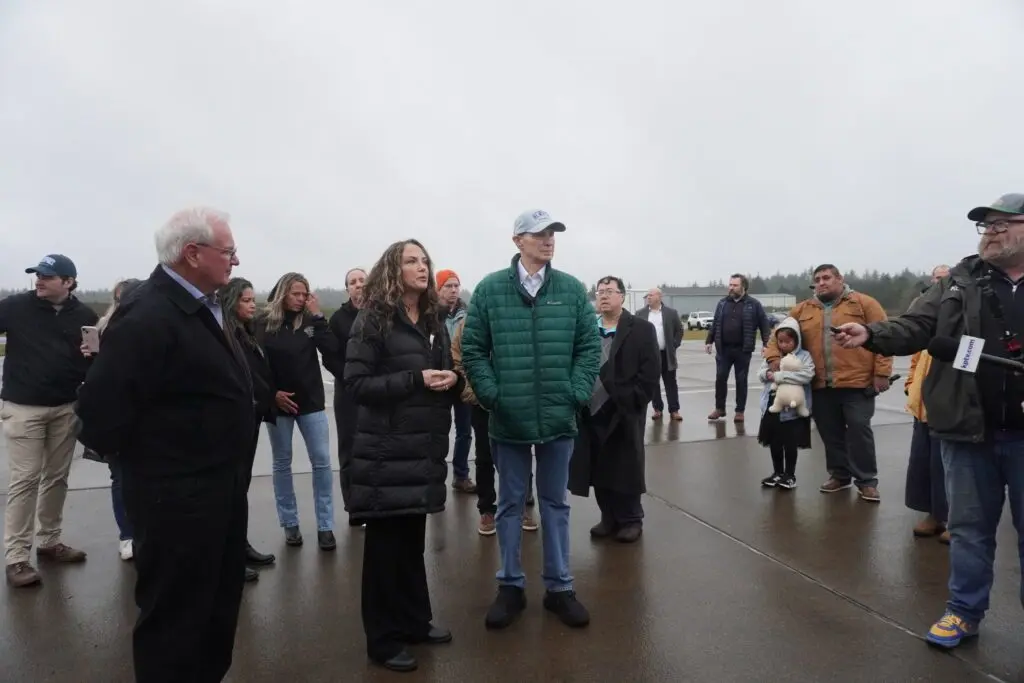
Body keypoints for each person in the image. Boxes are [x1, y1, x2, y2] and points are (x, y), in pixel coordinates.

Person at [833, 193, 1024, 649]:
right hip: (967, 430)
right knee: (969, 530)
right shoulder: (960, 280)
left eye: (1002, 223)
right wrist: (872, 334)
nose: (990, 232)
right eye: (985, 226)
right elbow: (917, 325)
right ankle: (963, 612)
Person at [76, 207, 252, 682]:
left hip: (219, 489)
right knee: (175, 620)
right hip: (176, 500)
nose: (235, 261)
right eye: (228, 251)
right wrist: (161, 467)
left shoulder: (203, 306)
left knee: (215, 608)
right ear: (193, 254)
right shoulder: (149, 313)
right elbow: (99, 416)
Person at [461, 208, 601, 630]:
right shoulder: (489, 291)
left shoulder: (572, 291)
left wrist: (575, 395)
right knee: (508, 504)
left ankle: (560, 588)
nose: (548, 239)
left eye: (552, 233)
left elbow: (589, 350)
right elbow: (473, 350)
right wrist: (492, 396)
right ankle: (511, 586)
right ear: (517, 240)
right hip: (509, 420)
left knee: (556, 503)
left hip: (559, 419)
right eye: (539, 233)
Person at [344, 239, 462, 673]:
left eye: (425, 259)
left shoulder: (433, 318)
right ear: (393, 269)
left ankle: (414, 621)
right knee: (384, 552)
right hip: (385, 455)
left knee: (412, 545)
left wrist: (452, 377)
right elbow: (356, 384)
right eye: (411, 260)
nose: (422, 266)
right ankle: (382, 638)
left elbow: (441, 371)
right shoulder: (373, 318)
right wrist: (414, 378)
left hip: (421, 450)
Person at [1, 253, 98, 588]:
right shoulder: (14, 307)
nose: (38, 280)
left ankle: (49, 542)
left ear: (68, 282)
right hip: (23, 408)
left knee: (56, 478)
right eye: (36, 275)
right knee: (25, 480)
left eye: (46, 276)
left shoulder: (85, 315)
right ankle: (16, 558)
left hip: (64, 407)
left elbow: (93, 361)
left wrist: (92, 358)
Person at [764, 264, 892, 502]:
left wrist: (882, 373)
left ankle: (867, 481)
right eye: (817, 279)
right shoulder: (802, 309)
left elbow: (884, 336)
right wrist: (772, 357)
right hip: (820, 385)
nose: (821, 283)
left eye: (826, 278)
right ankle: (840, 475)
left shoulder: (864, 304)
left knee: (859, 431)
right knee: (829, 433)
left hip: (857, 383)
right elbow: (776, 336)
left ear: (840, 279)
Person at [568, 276, 660, 543]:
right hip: (590, 409)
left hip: (623, 410)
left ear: (622, 296)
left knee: (625, 467)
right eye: (600, 292)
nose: (604, 296)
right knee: (598, 466)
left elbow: (651, 371)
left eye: (610, 291)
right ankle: (608, 517)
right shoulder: (586, 328)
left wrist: (635, 399)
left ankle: (631, 518)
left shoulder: (640, 329)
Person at [257, 272, 339, 550]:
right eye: (295, 293)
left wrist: (318, 317)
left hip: (312, 403)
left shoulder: (310, 323)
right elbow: (256, 365)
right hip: (279, 404)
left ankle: (325, 526)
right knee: (282, 462)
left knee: (322, 461)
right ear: (282, 293)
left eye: (305, 294)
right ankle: (290, 523)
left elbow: (331, 350)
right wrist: (272, 395)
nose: (301, 299)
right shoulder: (264, 324)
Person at [82, 277, 143, 562]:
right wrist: (89, 357)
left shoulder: (149, 326)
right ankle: (127, 535)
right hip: (115, 415)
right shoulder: (104, 328)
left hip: (144, 416)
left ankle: (145, 532)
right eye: (119, 299)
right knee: (119, 477)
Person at [220, 277, 277, 582]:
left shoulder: (247, 331)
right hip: (235, 420)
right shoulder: (225, 333)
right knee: (230, 491)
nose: (253, 305)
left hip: (251, 417)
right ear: (231, 301)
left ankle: (239, 546)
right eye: (246, 300)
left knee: (240, 488)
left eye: (254, 300)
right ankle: (228, 557)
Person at [904, 265, 951, 543]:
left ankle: (955, 520)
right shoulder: (927, 320)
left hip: (950, 410)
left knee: (952, 467)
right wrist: (912, 385)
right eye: (935, 279)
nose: (939, 284)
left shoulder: (965, 317)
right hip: (921, 408)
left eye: (944, 279)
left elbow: (970, 361)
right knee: (925, 465)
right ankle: (934, 514)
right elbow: (915, 358)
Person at [323, 267, 367, 526]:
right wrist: (350, 377)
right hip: (348, 392)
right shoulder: (338, 319)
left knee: (376, 447)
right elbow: (330, 356)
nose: (358, 285)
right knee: (350, 450)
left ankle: (376, 503)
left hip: (376, 390)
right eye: (353, 282)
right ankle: (354, 507)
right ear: (347, 288)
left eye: (362, 280)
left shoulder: (381, 313)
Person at [705, 274, 773, 423]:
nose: (731, 288)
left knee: (741, 380)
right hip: (724, 349)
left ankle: (739, 411)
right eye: (730, 285)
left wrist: (766, 344)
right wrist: (709, 341)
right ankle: (719, 408)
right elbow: (715, 323)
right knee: (720, 378)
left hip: (743, 350)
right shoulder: (722, 303)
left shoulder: (753, 304)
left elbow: (764, 325)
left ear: (743, 287)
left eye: (734, 285)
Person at [755, 318, 814, 489]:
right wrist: (767, 374)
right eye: (780, 341)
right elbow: (760, 373)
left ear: (796, 340)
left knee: (790, 444)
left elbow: (807, 375)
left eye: (788, 341)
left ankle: (790, 475)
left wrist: (781, 376)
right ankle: (777, 472)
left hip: (793, 409)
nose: (784, 345)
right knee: (774, 443)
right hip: (772, 406)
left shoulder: (804, 356)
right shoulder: (772, 356)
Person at [436, 269, 476, 493]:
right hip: (439, 379)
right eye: (447, 286)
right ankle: (435, 476)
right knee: (438, 431)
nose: (453, 290)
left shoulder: (467, 315)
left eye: (455, 286)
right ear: (438, 289)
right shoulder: (430, 315)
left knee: (464, 431)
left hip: (461, 379)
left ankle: (461, 475)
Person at [635, 287, 683, 421]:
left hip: (666, 354)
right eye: (647, 295)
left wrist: (673, 345)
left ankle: (674, 410)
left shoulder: (671, 313)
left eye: (651, 295)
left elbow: (679, 330)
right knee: (653, 383)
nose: (648, 297)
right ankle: (657, 409)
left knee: (670, 383)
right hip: (649, 356)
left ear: (659, 297)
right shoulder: (640, 314)